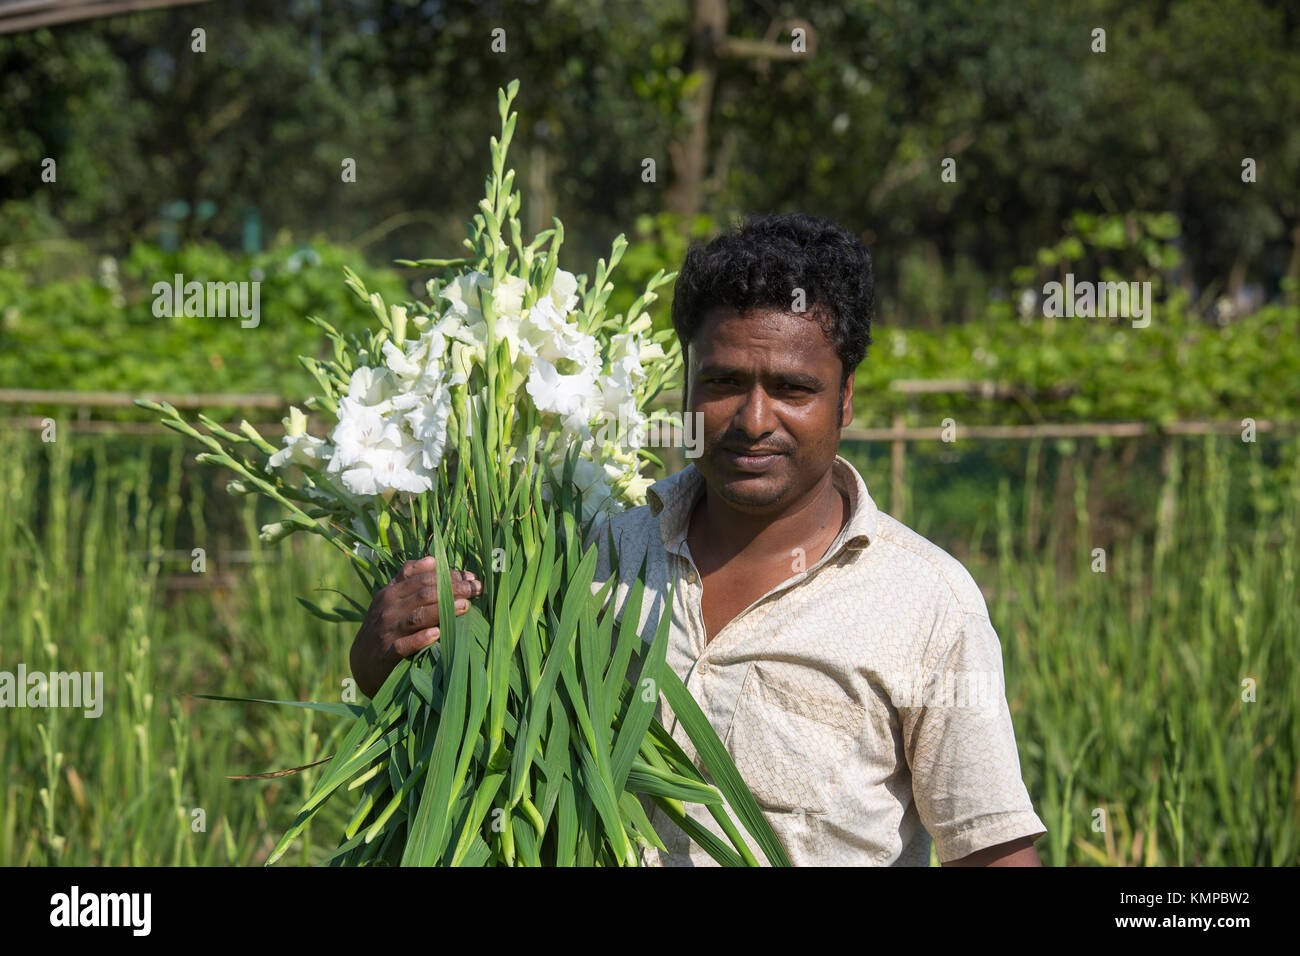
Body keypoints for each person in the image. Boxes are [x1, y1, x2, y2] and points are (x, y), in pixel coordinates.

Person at [349, 213, 1047, 866]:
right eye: (722, 382)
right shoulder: (598, 560)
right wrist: (383, 660)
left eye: (793, 388)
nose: (752, 418)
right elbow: (482, 749)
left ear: (846, 397)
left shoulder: (925, 603)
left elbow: (990, 849)